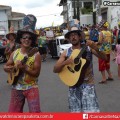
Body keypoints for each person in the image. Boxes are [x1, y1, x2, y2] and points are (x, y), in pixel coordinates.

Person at [53, 20, 107, 112]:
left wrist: (96, 48)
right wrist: (65, 63)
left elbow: (105, 58)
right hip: (73, 86)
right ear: (69, 38)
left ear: (79, 36)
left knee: (91, 115)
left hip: (88, 86)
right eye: (71, 35)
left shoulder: (89, 48)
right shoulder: (66, 52)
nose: (73, 37)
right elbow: (55, 69)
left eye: (75, 34)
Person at [4, 14, 41, 112]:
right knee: (13, 114)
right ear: (20, 39)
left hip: (31, 87)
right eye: (24, 37)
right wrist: (7, 68)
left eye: (29, 38)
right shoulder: (15, 53)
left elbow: (36, 74)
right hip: (16, 87)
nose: (27, 40)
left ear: (32, 40)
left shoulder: (36, 55)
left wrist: (24, 68)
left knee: (35, 114)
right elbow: (6, 65)